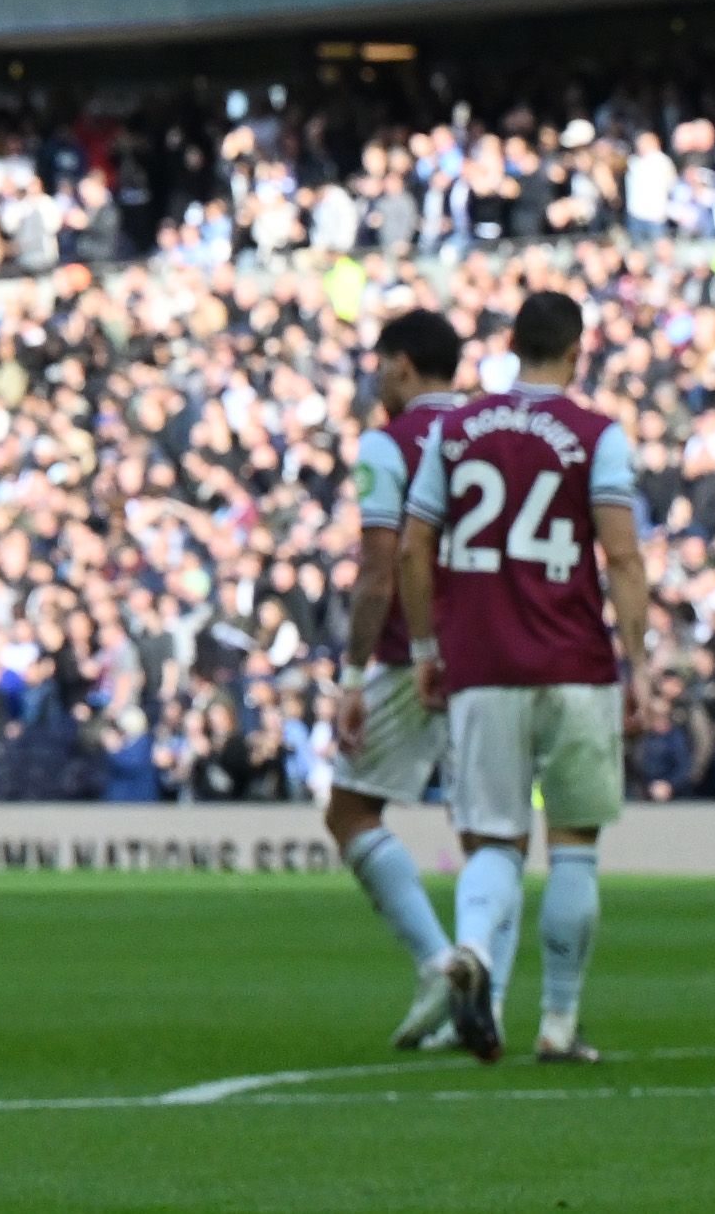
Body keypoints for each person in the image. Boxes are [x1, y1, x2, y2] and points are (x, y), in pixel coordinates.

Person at [400, 290, 653, 1066]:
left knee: (495, 842)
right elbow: (621, 555)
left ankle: (472, 948)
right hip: (574, 663)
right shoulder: (594, 435)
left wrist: (423, 650)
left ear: (512, 347)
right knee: (574, 845)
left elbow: (413, 550)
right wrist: (637, 663)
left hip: (481, 665)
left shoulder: (455, 428)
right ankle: (558, 1025)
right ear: (576, 351)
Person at [329, 307, 477, 1052]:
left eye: (381, 361)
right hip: (495, 648)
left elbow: (380, 568)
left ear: (402, 364)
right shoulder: (492, 430)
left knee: (350, 811)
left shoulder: (389, 443)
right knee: (493, 833)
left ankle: (436, 962)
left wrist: (352, 674)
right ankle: (490, 990)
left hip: (410, 653)